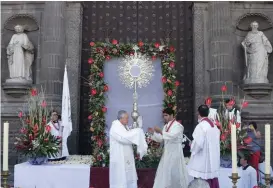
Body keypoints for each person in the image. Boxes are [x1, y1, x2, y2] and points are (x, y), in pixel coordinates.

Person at [148, 108, 189, 188]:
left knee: (174, 172)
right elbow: (161, 139)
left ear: (172, 115)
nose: (164, 117)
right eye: (163, 116)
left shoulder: (178, 126)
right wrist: (153, 133)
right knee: (165, 173)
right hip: (167, 153)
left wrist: (160, 131)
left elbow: (172, 136)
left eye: (166, 115)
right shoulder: (166, 126)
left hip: (175, 152)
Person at [109, 110, 147, 188]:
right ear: (121, 118)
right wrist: (137, 131)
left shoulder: (124, 126)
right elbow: (124, 137)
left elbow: (129, 135)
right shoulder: (115, 126)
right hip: (119, 158)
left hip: (126, 157)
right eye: (126, 118)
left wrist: (136, 130)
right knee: (121, 179)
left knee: (128, 177)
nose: (128, 120)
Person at [188, 105, 220, 188]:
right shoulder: (214, 126)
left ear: (198, 113)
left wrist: (192, 145)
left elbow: (198, 144)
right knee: (212, 180)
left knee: (201, 182)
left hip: (202, 162)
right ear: (208, 113)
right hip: (212, 161)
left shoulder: (201, 126)